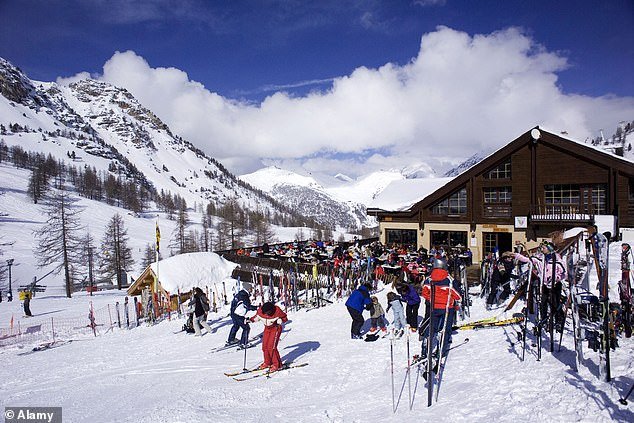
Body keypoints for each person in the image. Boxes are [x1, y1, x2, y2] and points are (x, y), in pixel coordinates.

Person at [512, 240, 566, 332]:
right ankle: (544, 320)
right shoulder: (541, 259)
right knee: (543, 303)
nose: (542, 249)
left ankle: (559, 321)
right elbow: (528, 259)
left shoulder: (557, 260)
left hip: (555, 285)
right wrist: (516, 255)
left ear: (549, 249)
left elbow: (564, 274)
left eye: (544, 248)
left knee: (555, 303)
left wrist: (557, 278)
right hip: (545, 285)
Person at [420, 258, 461, 359]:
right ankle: (441, 350)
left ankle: (426, 345)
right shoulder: (449, 280)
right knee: (445, 328)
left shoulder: (429, 279)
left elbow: (424, 292)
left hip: (433, 307)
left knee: (432, 326)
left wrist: (432, 299)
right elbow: (457, 295)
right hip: (447, 307)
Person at [248, 301, 288, 372]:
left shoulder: (277, 311)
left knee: (271, 347)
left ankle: (277, 365)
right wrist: (250, 320)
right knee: (265, 347)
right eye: (266, 312)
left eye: (268, 312)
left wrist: (280, 320)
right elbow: (256, 317)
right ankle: (267, 362)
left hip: (275, 328)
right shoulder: (260, 311)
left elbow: (285, 318)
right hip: (267, 328)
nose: (267, 314)